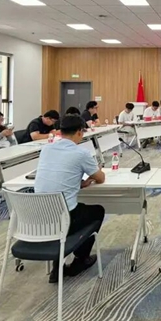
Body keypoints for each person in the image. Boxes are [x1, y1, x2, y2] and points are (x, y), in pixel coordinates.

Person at [35, 115, 105, 283]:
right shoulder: (81, 153)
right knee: (97, 211)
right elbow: (100, 178)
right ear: (80, 132)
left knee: (76, 209)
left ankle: (57, 266)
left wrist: (76, 182)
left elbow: (56, 174)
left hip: (39, 217)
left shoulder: (47, 149)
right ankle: (81, 259)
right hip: (65, 217)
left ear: (60, 131)